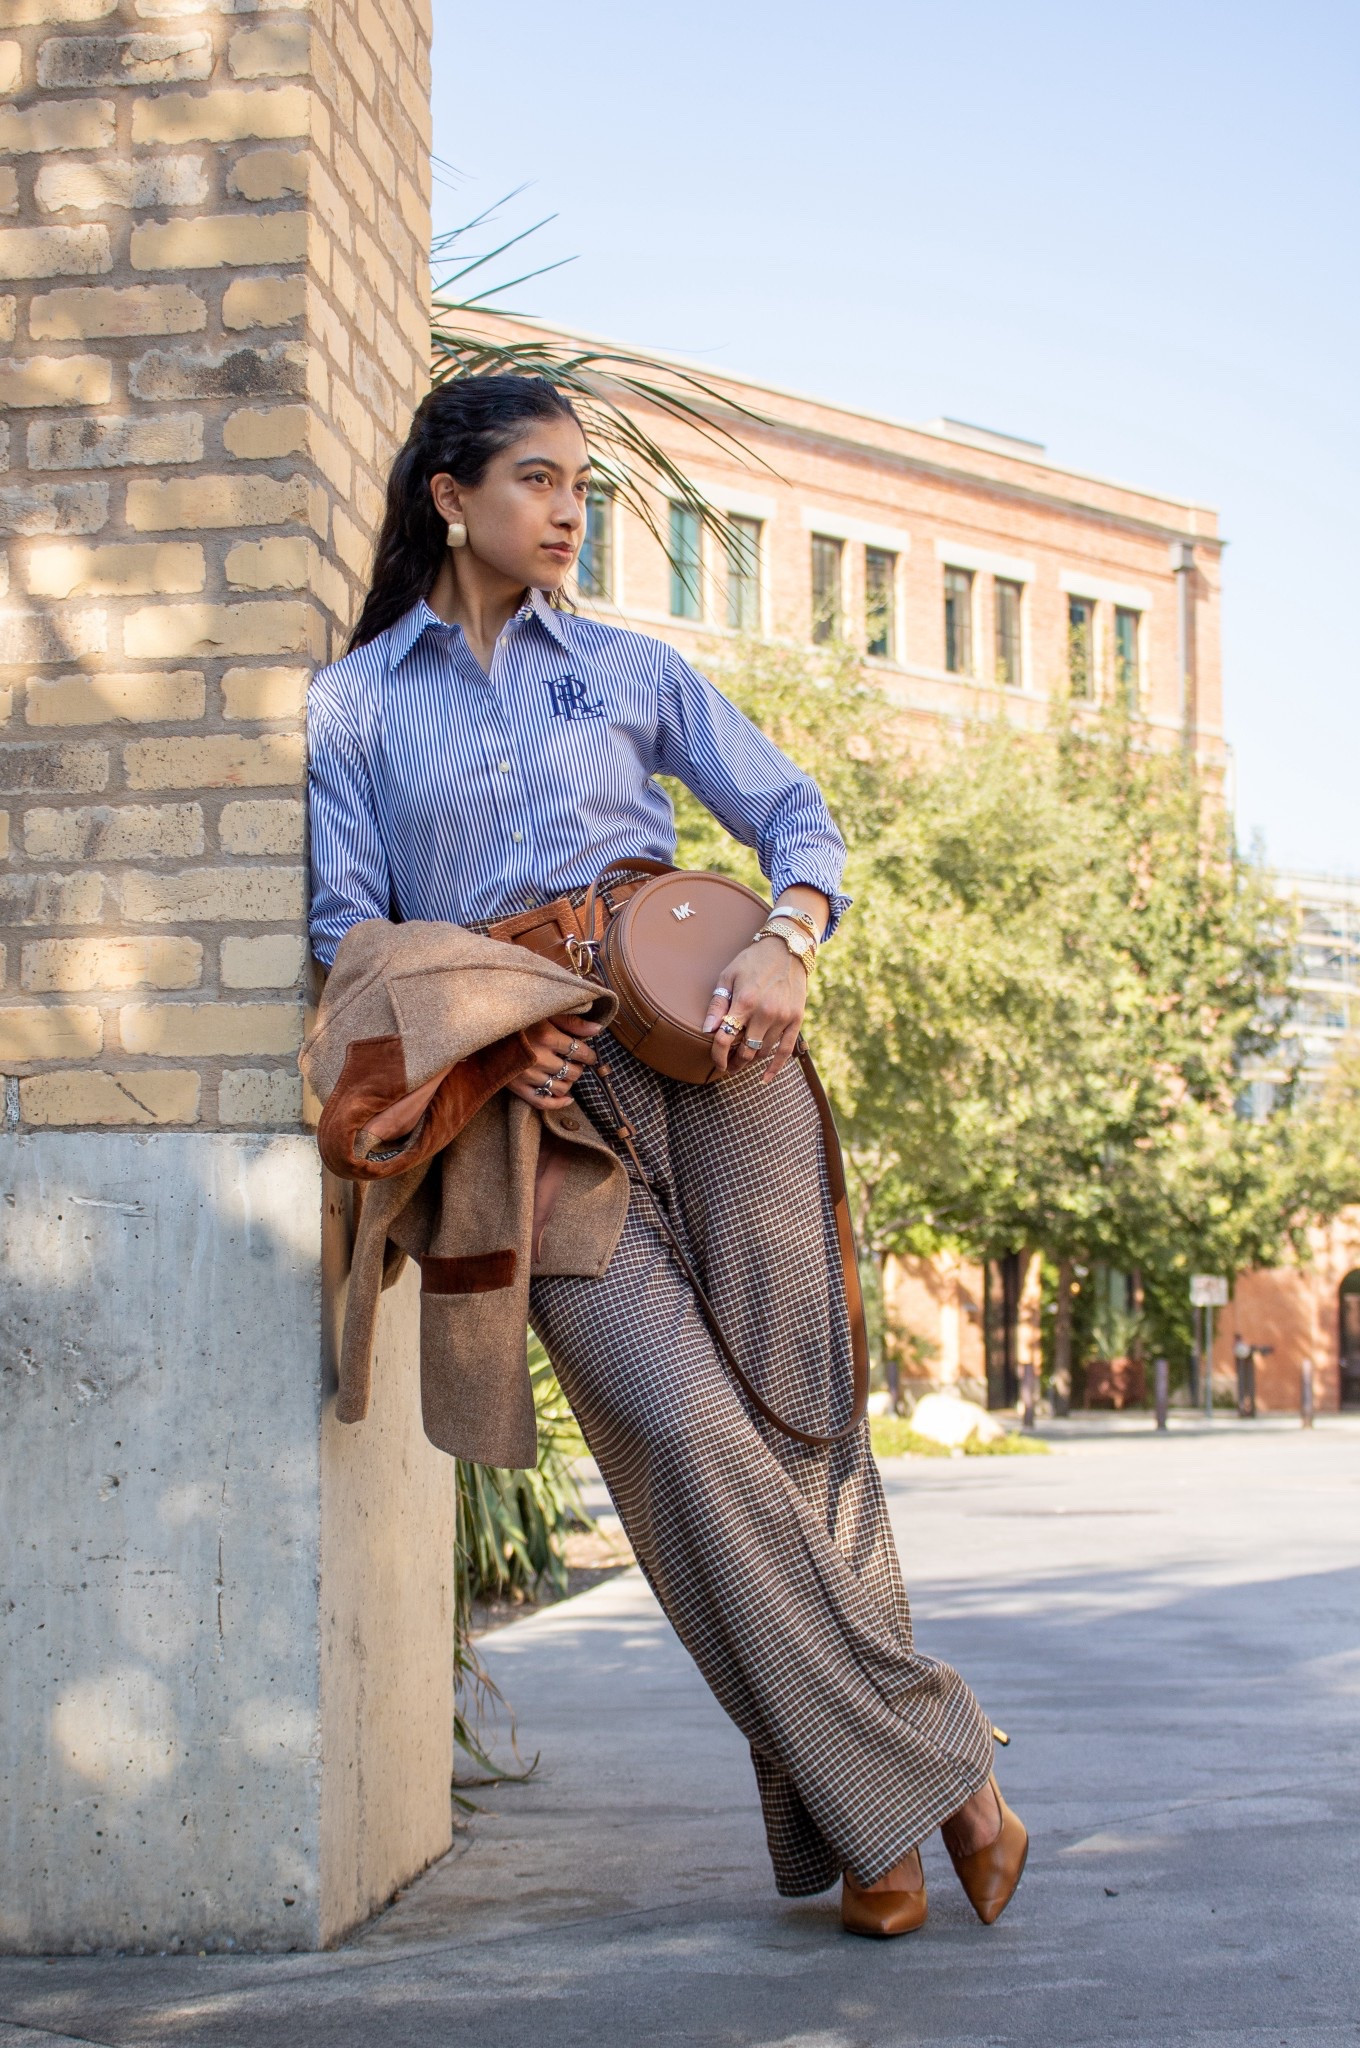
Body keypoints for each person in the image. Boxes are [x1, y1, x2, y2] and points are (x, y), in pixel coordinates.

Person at [306, 374, 1028, 1938]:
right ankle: (944, 1769)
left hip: (714, 1056)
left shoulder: (631, 667)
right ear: (449, 495)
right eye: (538, 480)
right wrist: (484, 1027)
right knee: (682, 1441)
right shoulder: (356, 705)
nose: (570, 510)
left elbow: (797, 815)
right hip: (532, 1112)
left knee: (800, 1436)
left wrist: (789, 941)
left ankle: (872, 1841)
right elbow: (347, 937)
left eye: (581, 485)